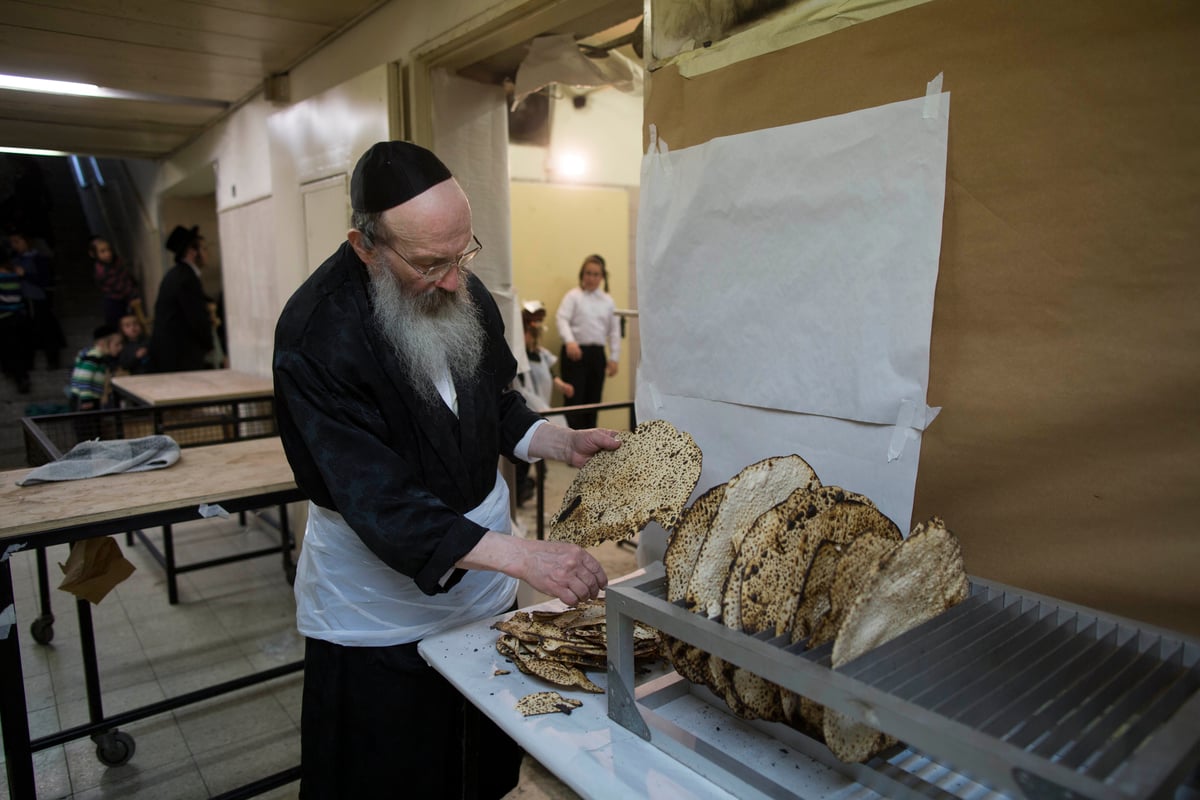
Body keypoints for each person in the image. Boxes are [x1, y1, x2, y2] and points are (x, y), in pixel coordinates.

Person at [272, 140, 620, 799]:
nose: (456, 280)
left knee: (478, 758)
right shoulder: (316, 334)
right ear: (365, 245)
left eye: (464, 255)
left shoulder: (460, 288)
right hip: (378, 614)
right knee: (391, 772)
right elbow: (379, 501)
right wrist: (524, 557)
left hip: (480, 588)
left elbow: (490, 401)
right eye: (433, 263)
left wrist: (553, 441)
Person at [513, 299, 573, 505]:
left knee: (539, 462)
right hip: (527, 411)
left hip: (541, 411)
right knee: (523, 461)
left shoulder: (541, 354)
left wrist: (562, 385)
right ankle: (520, 492)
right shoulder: (518, 358)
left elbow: (551, 373)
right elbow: (520, 388)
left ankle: (525, 490)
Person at [555, 253, 621, 429]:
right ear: (582, 274)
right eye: (588, 273)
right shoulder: (573, 297)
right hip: (575, 354)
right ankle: (573, 450)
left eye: (595, 274)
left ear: (602, 277)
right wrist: (570, 341)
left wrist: (614, 357)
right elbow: (562, 319)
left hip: (597, 355)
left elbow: (614, 331)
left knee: (594, 402)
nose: (591, 278)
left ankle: (592, 452)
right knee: (574, 403)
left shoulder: (608, 302)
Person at [148, 224, 213, 372]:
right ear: (191, 252)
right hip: (179, 356)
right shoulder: (186, 278)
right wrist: (210, 345)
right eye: (203, 248)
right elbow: (196, 318)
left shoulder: (178, 274)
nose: (207, 253)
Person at [8, 226, 65, 369]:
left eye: (17, 241)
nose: (15, 245)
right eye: (12, 242)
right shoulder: (14, 260)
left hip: (38, 298)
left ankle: (53, 360)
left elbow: (45, 280)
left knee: (46, 328)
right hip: (21, 300)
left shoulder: (39, 259)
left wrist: (25, 275)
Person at [0, 240, 33, 394]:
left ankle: (19, 377)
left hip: (7, 318)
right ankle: (18, 374)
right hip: (17, 316)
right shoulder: (13, 271)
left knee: (11, 350)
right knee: (14, 349)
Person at [67, 323, 123, 411]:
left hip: (89, 397)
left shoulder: (99, 357)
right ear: (102, 343)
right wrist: (87, 400)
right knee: (88, 424)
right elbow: (84, 378)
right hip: (84, 400)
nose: (120, 348)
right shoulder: (94, 357)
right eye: (117, 344)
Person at [90, 234, 140, 329]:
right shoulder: (102, 271)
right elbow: (120, 285)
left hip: (124, 298)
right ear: (95, 254)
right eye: (102, 251)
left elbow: (125, 276)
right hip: (114, 302)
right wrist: (133, 296)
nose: (108, 254)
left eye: (109, 250)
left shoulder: (115, 261)